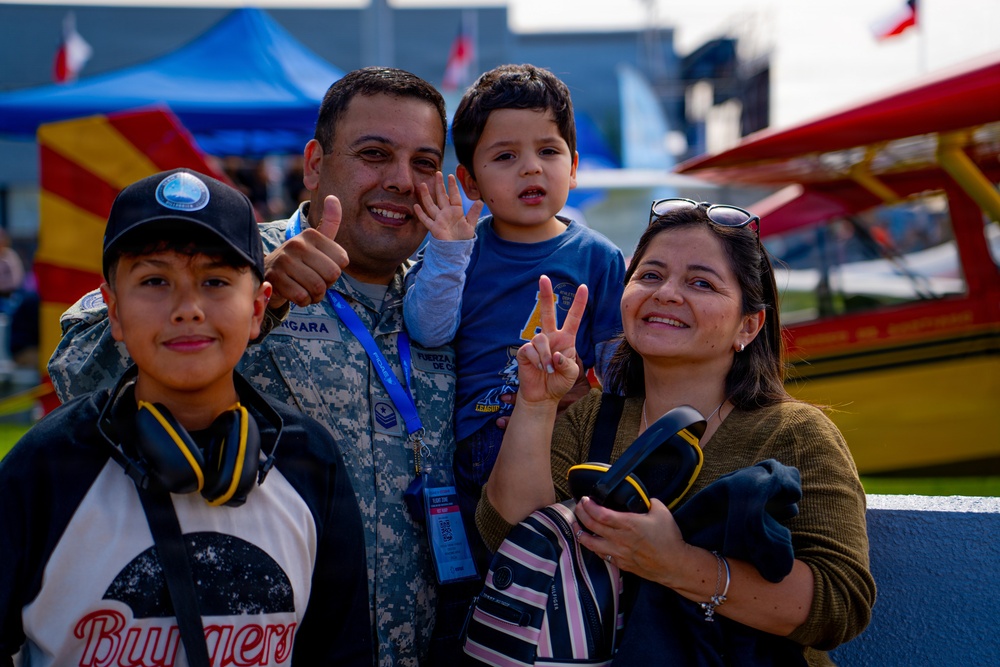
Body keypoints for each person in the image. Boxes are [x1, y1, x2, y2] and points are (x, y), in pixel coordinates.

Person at [47, 68, 458, 666]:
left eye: (424, 163)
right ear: (314, 164)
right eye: (375, 154)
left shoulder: (445, 297)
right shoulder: (227, 261)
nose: (401, 180)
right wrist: (256, 294)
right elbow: (76, 373)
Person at [476, 201, 876, 665]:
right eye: (649, 276)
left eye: (701, 282)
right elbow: (508, 534)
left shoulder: (796, 434)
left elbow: (841, 605)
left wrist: (679, 565)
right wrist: (536, 403)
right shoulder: (594, 417)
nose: (665, 293)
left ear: (749, 325)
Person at [1, 169, 371, 665]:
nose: (188, 308)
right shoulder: (46, 467)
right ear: (112, 310)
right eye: (155, 281)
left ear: (259, 307)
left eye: (215, 281)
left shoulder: (309, 460)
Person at [404, 62, 626, 582]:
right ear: (470, 180)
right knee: (471, 597)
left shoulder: (599, 257)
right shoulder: (460, 247)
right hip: (470, 452)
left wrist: (584, 395)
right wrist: (449, 251)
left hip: (560, 444)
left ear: (573, 168)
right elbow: (427, 329)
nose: (532, 168)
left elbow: (621, 366)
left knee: (552, 588)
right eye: (506, 156)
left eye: (549, 151)